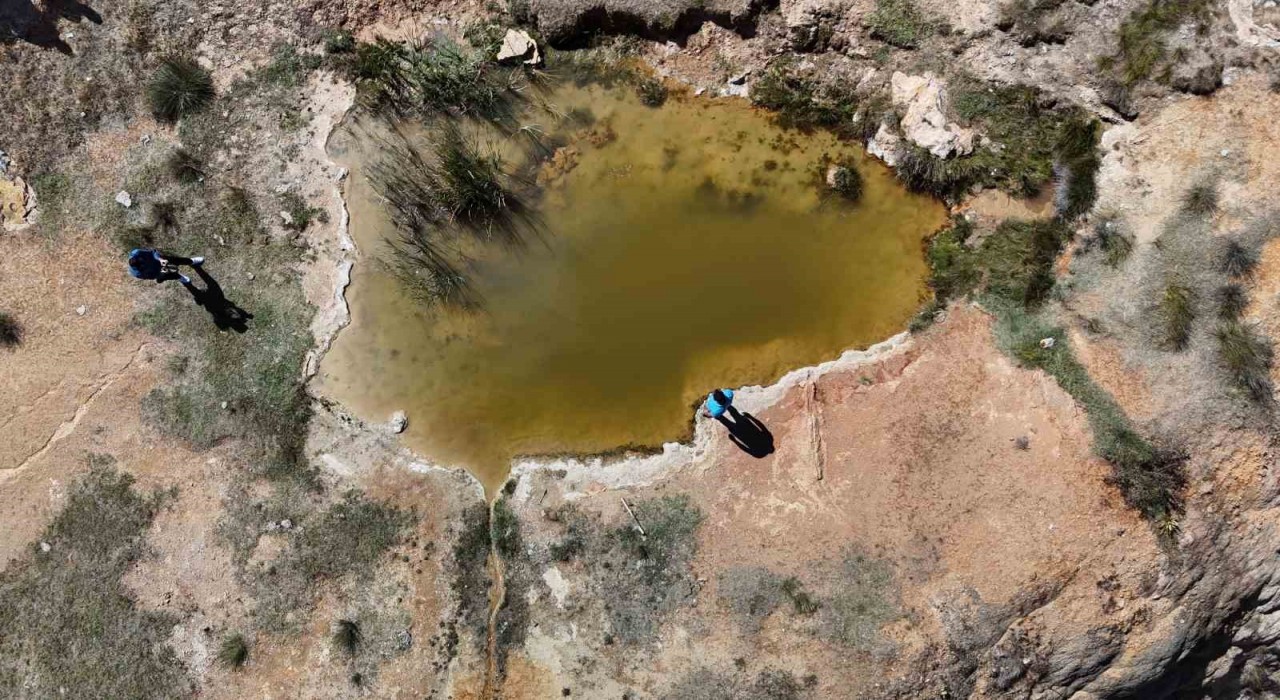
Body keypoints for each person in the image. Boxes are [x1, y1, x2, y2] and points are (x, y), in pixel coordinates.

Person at [128, 248, 205, 285]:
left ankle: (192, 261)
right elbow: (152, 276)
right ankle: (179, 277)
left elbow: (152, 252)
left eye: (141, 260)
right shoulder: (138, 274)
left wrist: (160, 259)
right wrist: (162, 272)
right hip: (158, 271)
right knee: (170, 275)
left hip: (159, 260)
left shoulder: (137, 253)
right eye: (141, 264)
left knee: (177, 260)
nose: (142, 261)